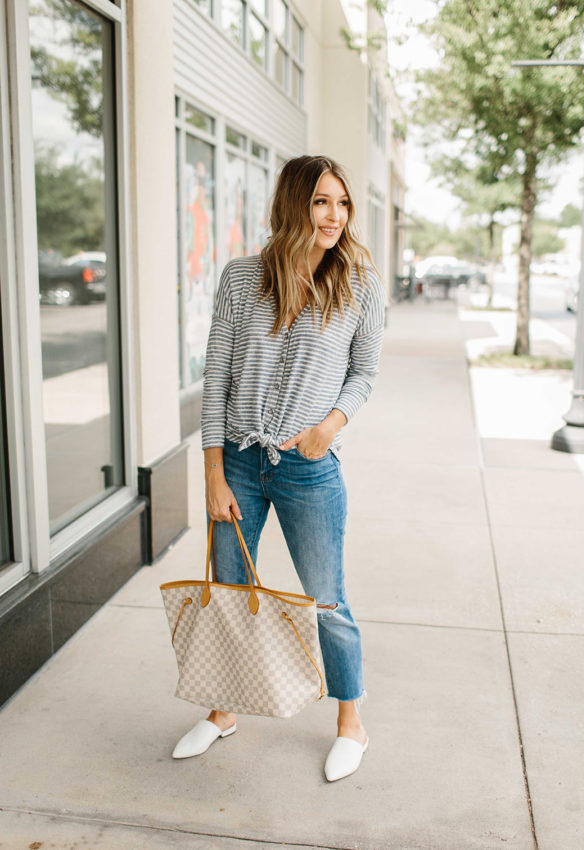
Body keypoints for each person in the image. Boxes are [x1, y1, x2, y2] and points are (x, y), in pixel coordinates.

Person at [171, 154, 385, 782]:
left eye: (342, 204)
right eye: (322, 202)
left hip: (307, 466)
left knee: (326, 601)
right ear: (295, 204)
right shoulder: (241, 279)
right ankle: (222, 709)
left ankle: (351, 721)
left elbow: (364, 372)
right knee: (231, 593)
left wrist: (328, 428)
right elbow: (217, 381)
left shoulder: (359, 285)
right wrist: (212, 473)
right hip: (237, 459)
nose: (335, 216)